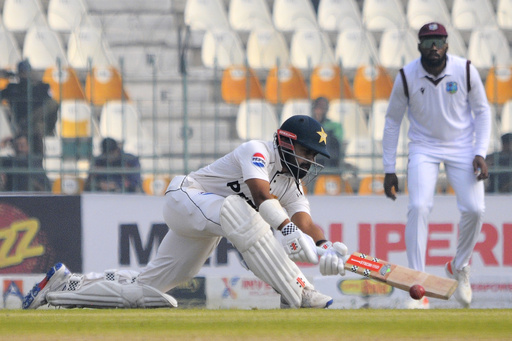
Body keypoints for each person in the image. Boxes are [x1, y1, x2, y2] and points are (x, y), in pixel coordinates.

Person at [23, 115, 349, 310]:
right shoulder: (258, 150)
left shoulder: (292, 183)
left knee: (145, 291)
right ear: (287, 142)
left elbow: (305, 220)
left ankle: (63, 286)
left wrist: (324, 247)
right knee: (244, 214)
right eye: (307, 153)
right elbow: (260, 195)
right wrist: (287, 230)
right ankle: (300, 290)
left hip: (208, 222)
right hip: (186, 199)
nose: (309, 162)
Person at [382, 22, 491, 309]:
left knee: (475, 208)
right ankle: (418, 287)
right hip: (423, 147)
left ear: (446, 45)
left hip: (463, 147)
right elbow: (392, 120)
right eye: (428, 42)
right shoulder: (407, 75)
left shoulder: (465, 70)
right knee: (418, 206)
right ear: (419, 45)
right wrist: (388, 168)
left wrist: (480, 151)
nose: (433, 47)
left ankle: (460, 265)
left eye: (438, 41)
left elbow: (482, 112)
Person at [0, 60, 59, 155]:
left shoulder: (40, 87)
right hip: (21, 125)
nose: (24, 75)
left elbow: (52, 103)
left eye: (26, 72)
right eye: (22, 72)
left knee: (53, 104)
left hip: (36, 128)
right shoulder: (13, 89)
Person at [311, 97, 343, 168]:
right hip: (313, 163)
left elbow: (338, 140)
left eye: (323, 107)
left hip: (331, 161)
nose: (320, 110)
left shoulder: (335, 126)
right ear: (314, 108)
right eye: (318, 107)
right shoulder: (308, 124)